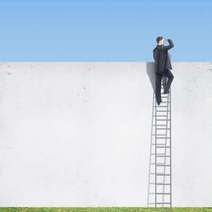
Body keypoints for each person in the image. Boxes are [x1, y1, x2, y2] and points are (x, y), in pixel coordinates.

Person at [153, 36, 174, 105]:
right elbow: (172, 45)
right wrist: (169, 39)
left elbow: (155, 58)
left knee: (158, 86)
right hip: (164, 69)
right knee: (171, 77)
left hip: (157, 70)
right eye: (163, 40)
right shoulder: (163, 48)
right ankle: (166, 89)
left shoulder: (154, 50)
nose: (163, 41)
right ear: (160, 41)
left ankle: (158, 101)